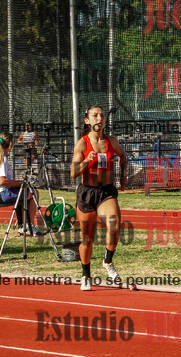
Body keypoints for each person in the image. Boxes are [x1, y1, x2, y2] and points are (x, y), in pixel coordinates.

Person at [70, 105, 127, 291]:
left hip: (106, 192)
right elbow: (73, 172)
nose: (99, 118)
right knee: (87, 239)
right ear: (87, 120)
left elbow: (123, 156)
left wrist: (123, 177)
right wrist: (87, 160)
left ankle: (107, 261)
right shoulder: (82, 143)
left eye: (102, 115)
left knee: (114, 225)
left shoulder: (111, 142)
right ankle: (86, 275)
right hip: (87, 193)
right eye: (95, 115)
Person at [0, 132, 41, 236]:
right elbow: (2, 181)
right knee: (33, 192)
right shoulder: (1, 158)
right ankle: (27, 226)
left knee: (23, 191)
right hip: (1, 195)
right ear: (9, 145)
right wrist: (20, 183)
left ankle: (22, 225)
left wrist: (19, 183)